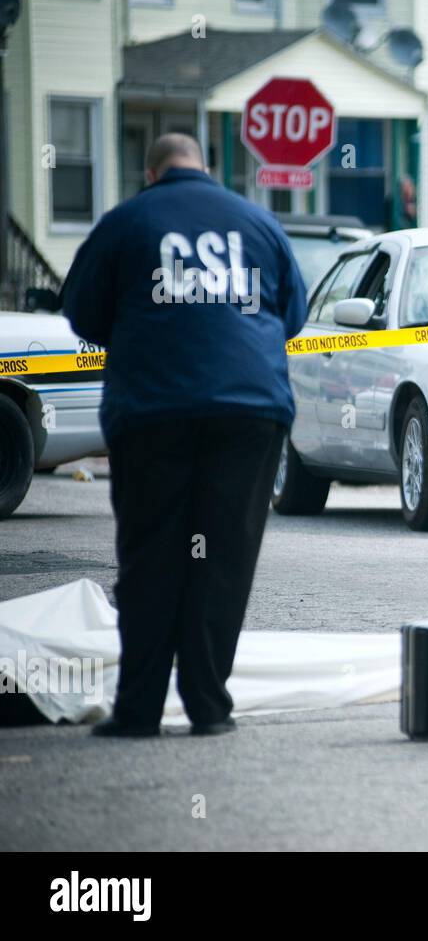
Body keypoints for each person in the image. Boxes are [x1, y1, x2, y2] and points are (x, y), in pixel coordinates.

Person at [61, 133, 308, 736]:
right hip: (248, 413)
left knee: (151, 556)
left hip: (154, 412)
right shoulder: (258, 223)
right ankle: (208, 705)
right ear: (204, 167)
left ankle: (140, 711)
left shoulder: (127, 222)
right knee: (222, 557)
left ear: (152, 174)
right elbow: (293, 316)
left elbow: (81, 313)